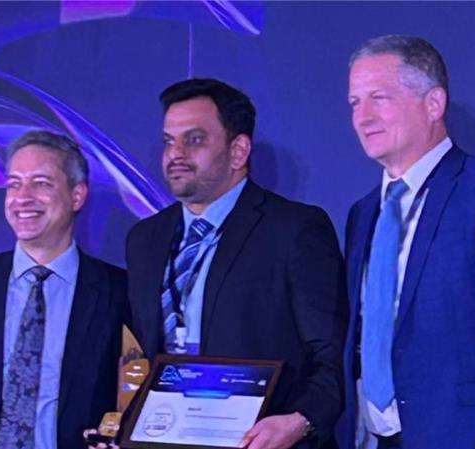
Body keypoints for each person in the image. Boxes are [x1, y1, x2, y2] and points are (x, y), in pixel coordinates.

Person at [337, 35, 475, 449]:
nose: (362, 117)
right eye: (354, 102)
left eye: (379, 98)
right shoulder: (362, 213)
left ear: (434, 103)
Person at [125, 78, 348, 449]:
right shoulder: (144, 239)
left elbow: (332, 352)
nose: (175, 153)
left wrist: (301, 421)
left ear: (238, 150)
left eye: (193, 139)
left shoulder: (294, 229)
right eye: (168, 141)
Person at [0, 130, 128, 449]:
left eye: (41, 183)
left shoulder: (118, 291)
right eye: (14, 184)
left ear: (77, 195)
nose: (23, 197)